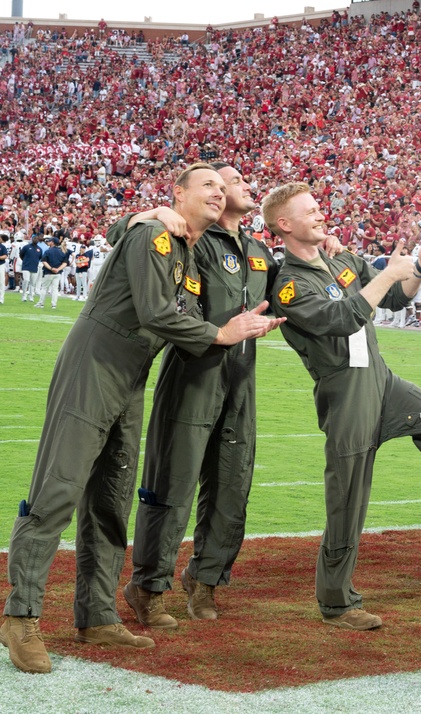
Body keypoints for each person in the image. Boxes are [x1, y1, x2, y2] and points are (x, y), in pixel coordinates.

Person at [0, 164, 283, 675]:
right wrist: (222, 333)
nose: (219, 193)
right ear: (177, 195)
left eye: (224, 188)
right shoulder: (155, 232)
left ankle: (98, 613)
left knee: (111, 495)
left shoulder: (191, 250)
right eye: (208, 186)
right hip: (95, 365)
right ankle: (20, 617)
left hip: (131, 377)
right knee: (58, 490)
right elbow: (156, 311)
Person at [263, 183, 421, 631]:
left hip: (381, 378)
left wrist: (417, 269)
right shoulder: (289, 282)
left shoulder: (341, 259)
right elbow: (341, 319)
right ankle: (337, 602)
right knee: (348, 498)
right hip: (345, 391)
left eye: (321, 207)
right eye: (311, 210)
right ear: (285, 225)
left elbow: (397, 298)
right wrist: (386, 274)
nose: (322, 214)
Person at [107, 162, 279, 630]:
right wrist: (149, 213)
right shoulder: (188, 237)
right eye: (222, 183)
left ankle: (204, 581)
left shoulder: (261, 252)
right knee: (172, 487)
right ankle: (148, 585)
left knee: (231, 486)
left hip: (241, 382)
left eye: (237, 184)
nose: (233, 189)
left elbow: (297, 299)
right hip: (192, 375)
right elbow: (120, 234)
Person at [35, 236, 68, 309]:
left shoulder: (48, 251)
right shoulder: (61, 252)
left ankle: (41, 303)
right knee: (55, 289)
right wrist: (58, 269)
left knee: (44, 288)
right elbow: (65, 263)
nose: (48, 242)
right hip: (57, 273)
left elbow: (44, 261)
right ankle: (54, 304)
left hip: (48, 272)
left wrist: (51, 268)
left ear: (52, 243)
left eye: (50, 241)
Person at [18, 235, 42, 303]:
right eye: (35, 238)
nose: (36, 240)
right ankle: (24, 295)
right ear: (32, 239)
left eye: (37, 239)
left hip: (34, 267)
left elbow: (39, 257)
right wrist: (25, 261)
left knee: (33, 283)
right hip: (26, 266)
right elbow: (21, 255)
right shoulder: (26, 247)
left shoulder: (39, 249)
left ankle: (31, 296)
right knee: (26, 280)